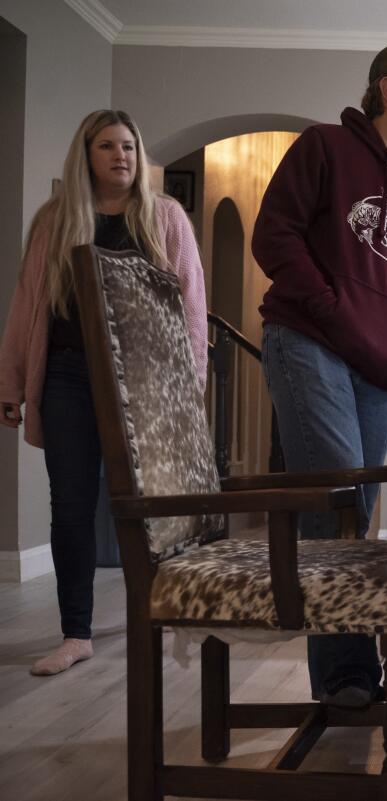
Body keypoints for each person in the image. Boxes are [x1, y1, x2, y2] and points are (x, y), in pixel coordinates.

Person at [251, 42, 387, 708]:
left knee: (355, 510)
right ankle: (349, 679)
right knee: (341, 492)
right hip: (307, 340)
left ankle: (346, 678)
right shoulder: (322, 148)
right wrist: (330, 307)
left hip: (377, 365)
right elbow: (273, 236)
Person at [0, 109, 208, 676]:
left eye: (129, 147)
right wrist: (13, 381)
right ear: (86, 154)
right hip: (67, 375)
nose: (121, 156)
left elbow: (191, 307)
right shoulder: (55, 220)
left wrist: (189, 388)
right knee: (69, 503)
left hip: (144, 379)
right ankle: (75, 633)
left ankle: (163, 613)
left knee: (148, 503)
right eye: (108, 147)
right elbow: (28, 305)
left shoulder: (164, 217)